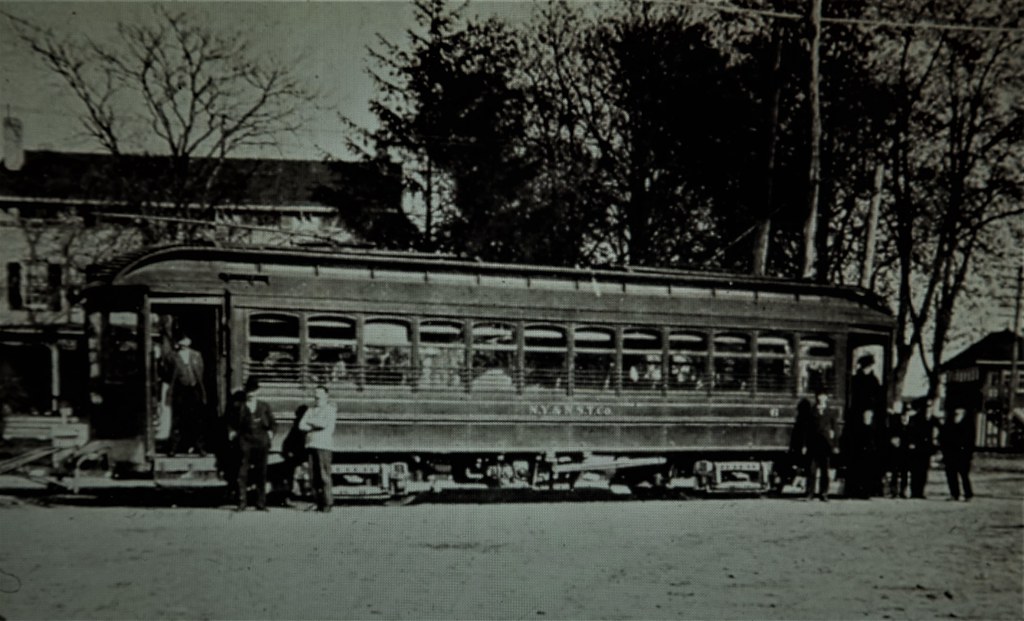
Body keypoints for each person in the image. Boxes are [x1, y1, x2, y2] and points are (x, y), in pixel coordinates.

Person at [228, 377, 275, 511]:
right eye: (249, 391)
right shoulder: (238, 406)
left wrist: (271, 432)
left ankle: (261, 503)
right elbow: (230, 423)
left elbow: (273, 423)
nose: (251, 394)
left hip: (261, 442)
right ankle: (242, 502)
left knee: (261, 473)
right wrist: (231, 432)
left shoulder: (264, 406)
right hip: (245, 442)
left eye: (253, 391)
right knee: (242, 473)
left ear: (258, 392)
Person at [160, 334, 207, 456]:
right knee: (177, 420)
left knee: (197, 419)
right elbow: (167, 374)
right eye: (181, 341)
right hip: (180, 391)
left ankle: (199, 447)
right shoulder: (171, 357)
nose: (184, 343)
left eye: (186, 340)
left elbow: (201, 372)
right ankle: (173, 448)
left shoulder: (197, 355)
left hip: (194, 390)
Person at [792, 390, 838, 501]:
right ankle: (810, 493)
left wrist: (835, 445)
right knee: (811, 470)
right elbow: (806, 430)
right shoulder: (811, 412)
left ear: (826, 398)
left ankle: (824, 494)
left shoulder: (831, 412)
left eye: (824, 396)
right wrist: (804, 445)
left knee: (825, 471)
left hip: (825, 445)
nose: (822, 398)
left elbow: (835, 429)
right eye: (820, 396)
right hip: (813, 444)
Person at [299, 384, 337, 512]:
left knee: (324, 475)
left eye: (320, 394)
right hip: (311, 445)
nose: (317, 397)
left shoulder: (330, 409)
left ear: (326, 395)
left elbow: (324, 424)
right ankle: (317, 502)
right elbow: (301, 425)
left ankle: (327, 503)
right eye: (316, 394)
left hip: (323, 446)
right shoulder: (310, 410)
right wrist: (314, 423)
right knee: (313, 476)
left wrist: (311, 422)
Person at [843, 408, 882, 499]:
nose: (867, 418)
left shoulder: (875, 428)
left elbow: (877, 441)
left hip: (870, 454)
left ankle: (867, 493)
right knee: (858, 473)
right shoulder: (858, 427)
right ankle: (857, 492)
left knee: (868, 474)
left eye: (869, 416)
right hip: (859, 454)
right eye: (865, 416)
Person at [939, 406, 975, 501]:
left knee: (964, 475)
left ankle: (968, 494)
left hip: (963, 454)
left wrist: (968, 453)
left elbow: (971, 440)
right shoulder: (949, 422)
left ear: (963, 411)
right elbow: (943, 436)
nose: (957, 411)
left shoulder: (968, 424)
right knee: (951, 474)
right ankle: (954, 494)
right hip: (950, 454)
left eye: (960, 410)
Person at [906, 402, 938, 499]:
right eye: (927, 407)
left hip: (926, 450)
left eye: (931, 407)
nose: (929, 409)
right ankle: (914, 492)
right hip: (917, 449)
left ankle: (920, 492)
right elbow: (910, 432)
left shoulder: (933, 420)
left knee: (923, 472)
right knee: (915, 471)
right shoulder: (915, 419)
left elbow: (938, 432)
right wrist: (911, 443)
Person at [884, 406, 911, 498]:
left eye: (906, 417)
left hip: (906, 454)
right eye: (903, 417)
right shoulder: (896, 427)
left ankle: (904, 492)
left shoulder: (911, 427)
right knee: (895, 473)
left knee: (905, 474)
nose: (904, 419)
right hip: (896, 454)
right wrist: (893, 441)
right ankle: (894, 491)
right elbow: (891, 437)